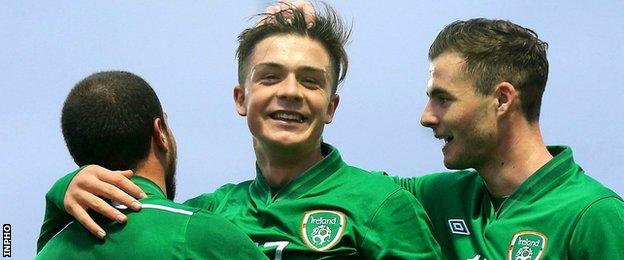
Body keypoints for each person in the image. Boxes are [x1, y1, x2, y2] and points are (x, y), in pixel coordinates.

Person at [37, 5, 442, 260]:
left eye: (311, 81)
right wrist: (65, 190)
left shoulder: (382, 204)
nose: (289, 92)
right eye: (270, 77)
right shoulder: (208, 214)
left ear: (331, 107)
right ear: (241, 99)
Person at [387, 19, 624, 259]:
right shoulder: (437, 198)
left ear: (501, 99)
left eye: (443, 99)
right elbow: (352, 193)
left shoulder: (594, 215)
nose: (426, 117)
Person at [36, 71, 266, 259]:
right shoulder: (201, 232)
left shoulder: (53, 248)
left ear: (79, 159)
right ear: (160, 133)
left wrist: (57, 196)